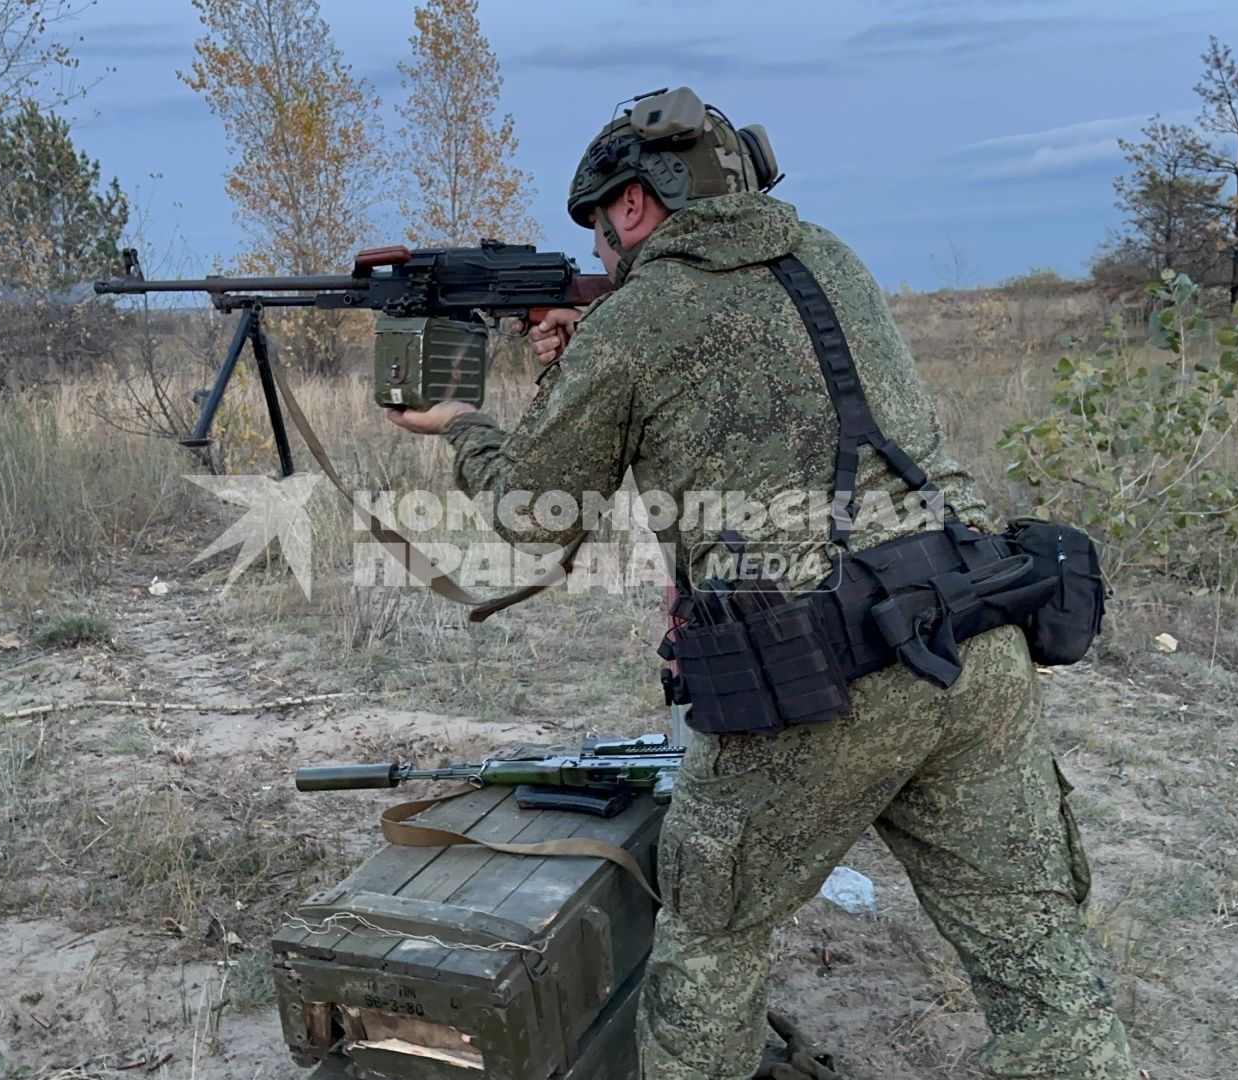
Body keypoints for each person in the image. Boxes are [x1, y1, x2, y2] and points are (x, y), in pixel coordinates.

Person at [386, 88, 1135, 1080]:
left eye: (603, 227)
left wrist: (467, 426)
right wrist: (590, 369)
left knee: (708, 947)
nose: (605, 250)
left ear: (636, 206)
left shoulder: (639, 315)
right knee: (1038, 967)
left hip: (817, 679)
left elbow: (534, 510)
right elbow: (778, 436)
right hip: (975, 636)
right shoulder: (832, 260)